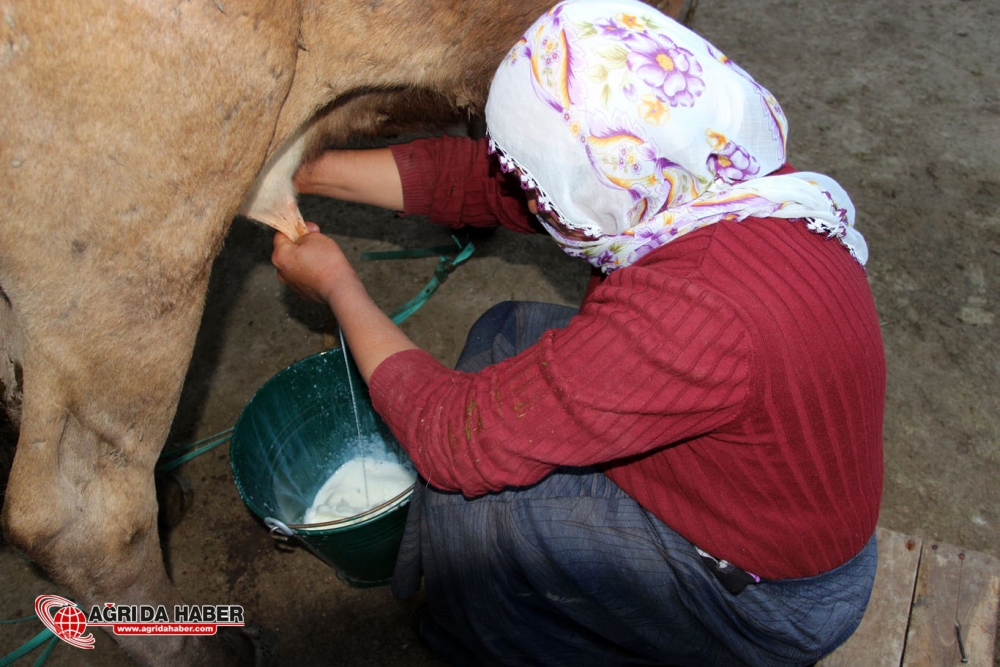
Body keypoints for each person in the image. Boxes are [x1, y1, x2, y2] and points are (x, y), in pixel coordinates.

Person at [272, 0, 886, 664]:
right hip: (749, 482)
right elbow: (484, 184)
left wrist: (338, 285)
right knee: (504, 328)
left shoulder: (693, 313)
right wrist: (300, 171)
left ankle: (488, 641)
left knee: (473, 505)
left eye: (542, 184)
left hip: (769, 597)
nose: (529, 195)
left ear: (600, 180)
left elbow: (456, 437)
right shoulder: (698, 173)